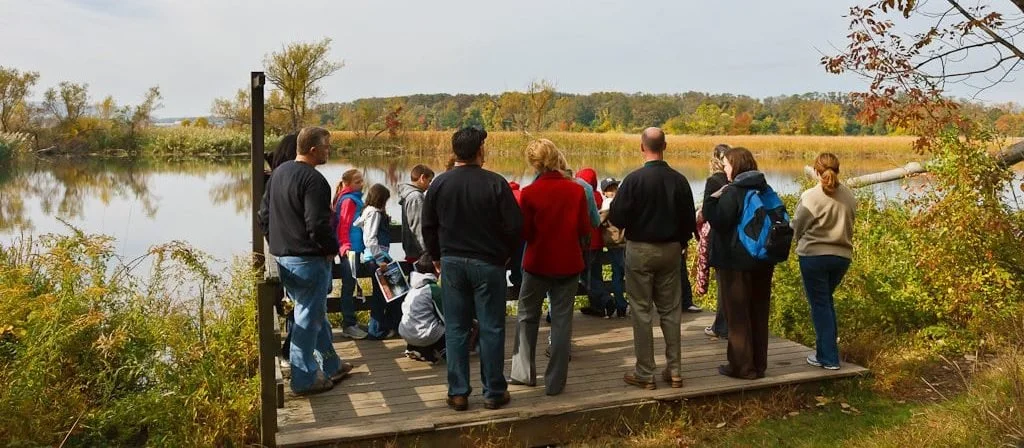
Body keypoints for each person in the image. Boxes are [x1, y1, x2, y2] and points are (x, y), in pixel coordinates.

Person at [422, 127, 522, 411]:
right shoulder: (496, 183)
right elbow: (515, 227)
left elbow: (428, 226)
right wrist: (505, 256)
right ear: (480, 151)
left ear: (455, 152)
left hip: (452, 263)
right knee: (491, 328)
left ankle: (458, 393)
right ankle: (493, 391)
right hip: (488, 264)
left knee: (456, 329)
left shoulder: (439, 185)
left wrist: (438, 258)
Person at [257, 126, 352, 394]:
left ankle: (331, 365)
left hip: (284, 258)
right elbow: (317, 225)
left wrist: (277, 241)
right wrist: (330, 248)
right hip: (308, 260)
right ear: (313, 150)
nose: (329, 150)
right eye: (327, 146)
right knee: (307, 319)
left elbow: (263, 216)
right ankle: (304, 378)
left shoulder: (278, 174)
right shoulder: (314, 181)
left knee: (313, 313)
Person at [608, 127, 697, 390]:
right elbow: (689, 220)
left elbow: (617, 217)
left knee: (641, 309)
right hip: (671, 250)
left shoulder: (633, 180)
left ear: (641, 147)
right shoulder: (679, 180)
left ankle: (645, 372)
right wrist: (680, 243)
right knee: (670, 311)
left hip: (640, 249)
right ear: (665, 146)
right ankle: (675, 370)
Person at [509, 139, 591, 396]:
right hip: (568, 263)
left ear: (533, 163)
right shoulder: (576, 191)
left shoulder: (530, 193)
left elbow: (525, 232)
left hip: (538, 262)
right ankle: (555, 382)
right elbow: (584, 230)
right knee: (562, 320)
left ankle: (524, 373)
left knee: (526, 316)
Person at [702, 147, 777, 380]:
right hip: (763, 259)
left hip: (735, 261)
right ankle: (759, 364)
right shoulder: (765, 188)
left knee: (737, 315)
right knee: (758, 312)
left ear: (736, 165)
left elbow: (719, 220)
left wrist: (711, 200)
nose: (724, 169)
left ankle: (741, 367)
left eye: (726, 164)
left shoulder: (734, 191)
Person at [791, 153, 857, 370]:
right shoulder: (848, 195)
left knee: (820, 305)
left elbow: (798, 225)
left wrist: (798, 242)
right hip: (841, 257)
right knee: (825, 302)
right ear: (838, 170)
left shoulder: (810, 195)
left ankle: (827, 358)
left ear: (816, 171)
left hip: (814, 256)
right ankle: (827, 352)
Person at [355, 183, 401, 339]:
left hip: (374, 258)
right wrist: (380, 259)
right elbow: (370, 238)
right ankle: (377, 330)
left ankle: (384, 327)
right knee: (385, 294)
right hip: (377, 259)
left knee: (388, 293)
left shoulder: (368, 212)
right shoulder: (374, 213)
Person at [332, 169, 370, 340]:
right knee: (349, 285)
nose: (361, 184)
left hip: (355, 247)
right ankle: (348, 324)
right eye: (357, 181)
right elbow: (343, 226)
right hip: (349, 249)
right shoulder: (348, 200)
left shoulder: (353, 198)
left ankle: (351, 322)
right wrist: (345, 246)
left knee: (351, 283)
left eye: (361, 181)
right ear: (347, 184)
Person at [699, 144, 731, 339]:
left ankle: (721, 325)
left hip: (719, 236)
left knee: (723, 285)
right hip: (739, 239)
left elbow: (707, 211)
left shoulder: (714, 180)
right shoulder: (739, 179)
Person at [576, 168, 613, 317]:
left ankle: (605, 299)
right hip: (598, 243)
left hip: (587, 243)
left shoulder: (581, 195)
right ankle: (597, 306)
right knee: (596, 274)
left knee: (586, 276)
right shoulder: (598, 196)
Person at [399, 257, 447, 364]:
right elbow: (445, 316)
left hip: (405, 332)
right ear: (437, 268)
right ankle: (441, 350)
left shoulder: (413, 287)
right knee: (443, 329)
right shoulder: (433, 289)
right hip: (425, 335)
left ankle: (414, 348)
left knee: (422, 322)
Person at [599, 178, 628, 318]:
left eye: (615, 188)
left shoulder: (604, 205)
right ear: (605, 193)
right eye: (611, 189)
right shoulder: (614, 204)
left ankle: (621, 305)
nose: (615, 191)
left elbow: (599, 222)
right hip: (621, 242)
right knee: (628, 273)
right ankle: (626, 305)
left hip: (612, 243)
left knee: (616, 275)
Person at [399, 165, 435, 263]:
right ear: (422, 178)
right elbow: (418, 226)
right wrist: (427, 251)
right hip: (419, 254)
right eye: (429, 181)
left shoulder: (409, 195)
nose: (429, 185)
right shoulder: (416, 197)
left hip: (413, 250)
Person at [508, 180, 525, 296]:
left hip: (509, 238)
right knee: (520, 264)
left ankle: (516, 282)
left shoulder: (506, 197)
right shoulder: (522, 195)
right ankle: (519, 282)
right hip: (524, 237)